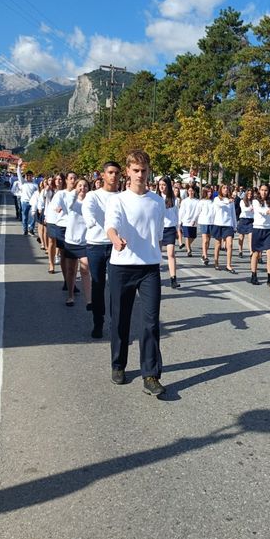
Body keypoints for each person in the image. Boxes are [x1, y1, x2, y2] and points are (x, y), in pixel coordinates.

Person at [105, 149, 166, 397]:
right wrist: (115, 240)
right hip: (122, 266)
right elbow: (111, 225)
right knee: (120, 319)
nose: (140, 174)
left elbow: (159, 235)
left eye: (144, 170)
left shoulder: (158, 201)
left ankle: (150, 374)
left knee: (151, 322)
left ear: (148, 171)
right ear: (127, 172)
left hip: (150, 268)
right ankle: (118, 364)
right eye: (135, 170)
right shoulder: (118, 200)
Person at [82, 161, 120, 339]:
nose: (113, 176)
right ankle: (98, 321)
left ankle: (116, 324)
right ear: (103, 175)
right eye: (110, 172)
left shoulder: (123, 196)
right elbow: (88, 212)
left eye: (117, 173)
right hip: (96, 244)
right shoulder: (93, 196)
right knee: (98, 285)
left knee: (117, 287)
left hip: (116, 246)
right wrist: (92, 222)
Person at [63, 178, 93, 308]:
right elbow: (68, 202)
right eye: (80, 185)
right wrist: (75, 191)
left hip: (86, 241)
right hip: (71, 240)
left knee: (85, 268)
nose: (83, 188)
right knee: (71, 270)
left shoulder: (90, 202)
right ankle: (70, 295)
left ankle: (89, 300)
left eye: (85, 186)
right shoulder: (72, 201)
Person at [156, 176, 181, 287]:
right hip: (158, 229)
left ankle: (173, 278)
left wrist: (177, 229)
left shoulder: (174, 199)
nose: (162, 187)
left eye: (164, 184)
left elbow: (176, 215)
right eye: (160, 184)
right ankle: (155, 277)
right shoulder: (155, 198)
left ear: (168, 186)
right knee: (157, 254)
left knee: (171, 253)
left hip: (170, 228)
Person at [250, 183, 270, 286]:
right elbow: (259, 210)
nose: (263, 192)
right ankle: (253, 275)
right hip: (258, 229)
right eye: (262, 190)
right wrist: (268, 211)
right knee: (256, 254)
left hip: (268, 230)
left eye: (266, 190)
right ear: (259, 191)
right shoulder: (255, 201)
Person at [211, 183, 237, 273]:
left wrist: (234, 225)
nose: (225, 189)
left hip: (228, 225)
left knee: (229, 244)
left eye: (227, 188)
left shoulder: (231, 201)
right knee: (218, 244)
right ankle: (216, 262)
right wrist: (228, 201)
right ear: (221, 190)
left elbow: (233, 213)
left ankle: (228, 265)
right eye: (224, 188)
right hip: (218, 224)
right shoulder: (217, 199)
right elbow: (219, 205)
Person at [17, 163, 38, 236]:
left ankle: (31, 229)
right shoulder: (23, 183)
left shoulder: (35, 185)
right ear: (26, 176)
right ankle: (25, 229)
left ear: (32, 176)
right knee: (25, 216)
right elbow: (19, 175)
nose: (29, 177)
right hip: (24, 202)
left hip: (33, 203)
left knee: (33, 216)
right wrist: (19, 166)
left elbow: (37, 194)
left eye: (30, 175)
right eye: (28, 175)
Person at [178, 185, 199, 257]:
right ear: (187, 192)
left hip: (194, 221)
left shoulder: (197, 201)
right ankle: (189, 250)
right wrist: (180, 221)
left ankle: (188, 245)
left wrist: (195, 219)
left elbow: (198, 211)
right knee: (187, 236)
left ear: (194, 192)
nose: (191, 192)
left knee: (193, 237)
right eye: (189, 191)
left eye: (192, 191)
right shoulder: (184, 201)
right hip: (186, 221)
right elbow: (181, 211)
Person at [197, 186, 214, 266]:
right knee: (205, 240)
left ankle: (204, 253)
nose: (210, 193)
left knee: (209, 239)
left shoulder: (212, 201)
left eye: (211, 192)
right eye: (208, 192)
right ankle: (205, 256)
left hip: (211, 222)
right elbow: (197, 211)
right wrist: (194, 220)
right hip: (203, 221)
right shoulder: (201, 202)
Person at [237, 187, 255, 257]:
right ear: (246, 194)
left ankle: (251, 251)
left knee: (250, 236)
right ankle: (240, 250)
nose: (250, 195)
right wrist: (251, 208)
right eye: (249, 193)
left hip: (250, 220)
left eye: (251, 194)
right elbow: (244, 209)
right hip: (243, 219)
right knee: (241, 236)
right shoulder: (242, 201)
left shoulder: (253, 202)